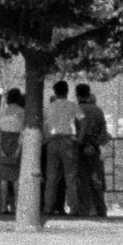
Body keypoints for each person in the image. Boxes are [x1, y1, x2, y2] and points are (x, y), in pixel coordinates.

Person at [43, 79, 82, 215]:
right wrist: (79, 138)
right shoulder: (73, 106)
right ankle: (74, 208)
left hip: (53, 141)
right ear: (67, 91)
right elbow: (84, 120)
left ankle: (48, 207)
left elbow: (45, 124)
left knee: (51, 176)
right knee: (70, 176)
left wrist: (47, 138)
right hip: (68, 141)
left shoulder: (49, 107)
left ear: (55, 92)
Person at [75, 83, 110, 217]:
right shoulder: (98, 111)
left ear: (77, 95)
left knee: (81, 179)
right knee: (96, 179)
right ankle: (101, 209)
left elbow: (73, 131)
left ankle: (85, 209)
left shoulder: (76, 110)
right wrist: (95, 144)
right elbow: (104, 133)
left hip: (79, 149)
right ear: (89, 94)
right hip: (95, 149)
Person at [0, 87, 26, 214]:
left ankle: (3, 206)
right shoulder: (22, 112)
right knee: (16, 177)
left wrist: (0, 149)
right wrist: (19, 149)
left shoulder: (1, 112)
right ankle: (17, 205)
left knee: (3, 178)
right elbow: (23, 132)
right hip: (16, 142)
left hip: (3, 142)